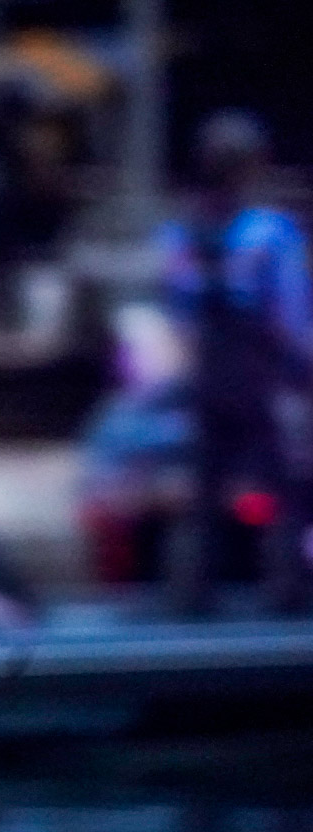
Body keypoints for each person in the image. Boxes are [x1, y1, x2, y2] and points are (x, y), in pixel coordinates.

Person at [161, 110, 313, 614]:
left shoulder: (183, 232)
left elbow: (178, 309)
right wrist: (301, 367)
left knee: (206, 483)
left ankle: (192, 588)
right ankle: (288, 585)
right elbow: (288, 313)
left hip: (208, 372)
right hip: (257, 373)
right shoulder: (270, 232)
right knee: (283, 482)